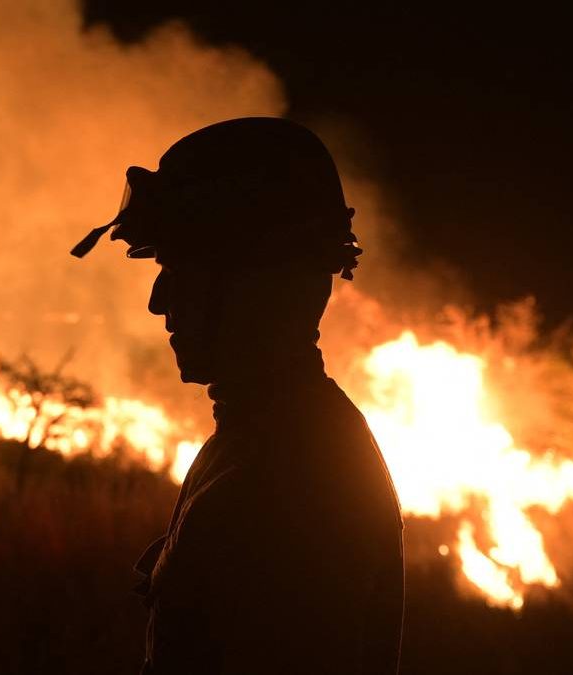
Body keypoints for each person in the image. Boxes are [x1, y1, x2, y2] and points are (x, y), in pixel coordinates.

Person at [72, 117, 405, 674]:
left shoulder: (290, 481)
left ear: (261, 281)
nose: (159, 301)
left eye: (180, 267)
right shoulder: (258, 441)